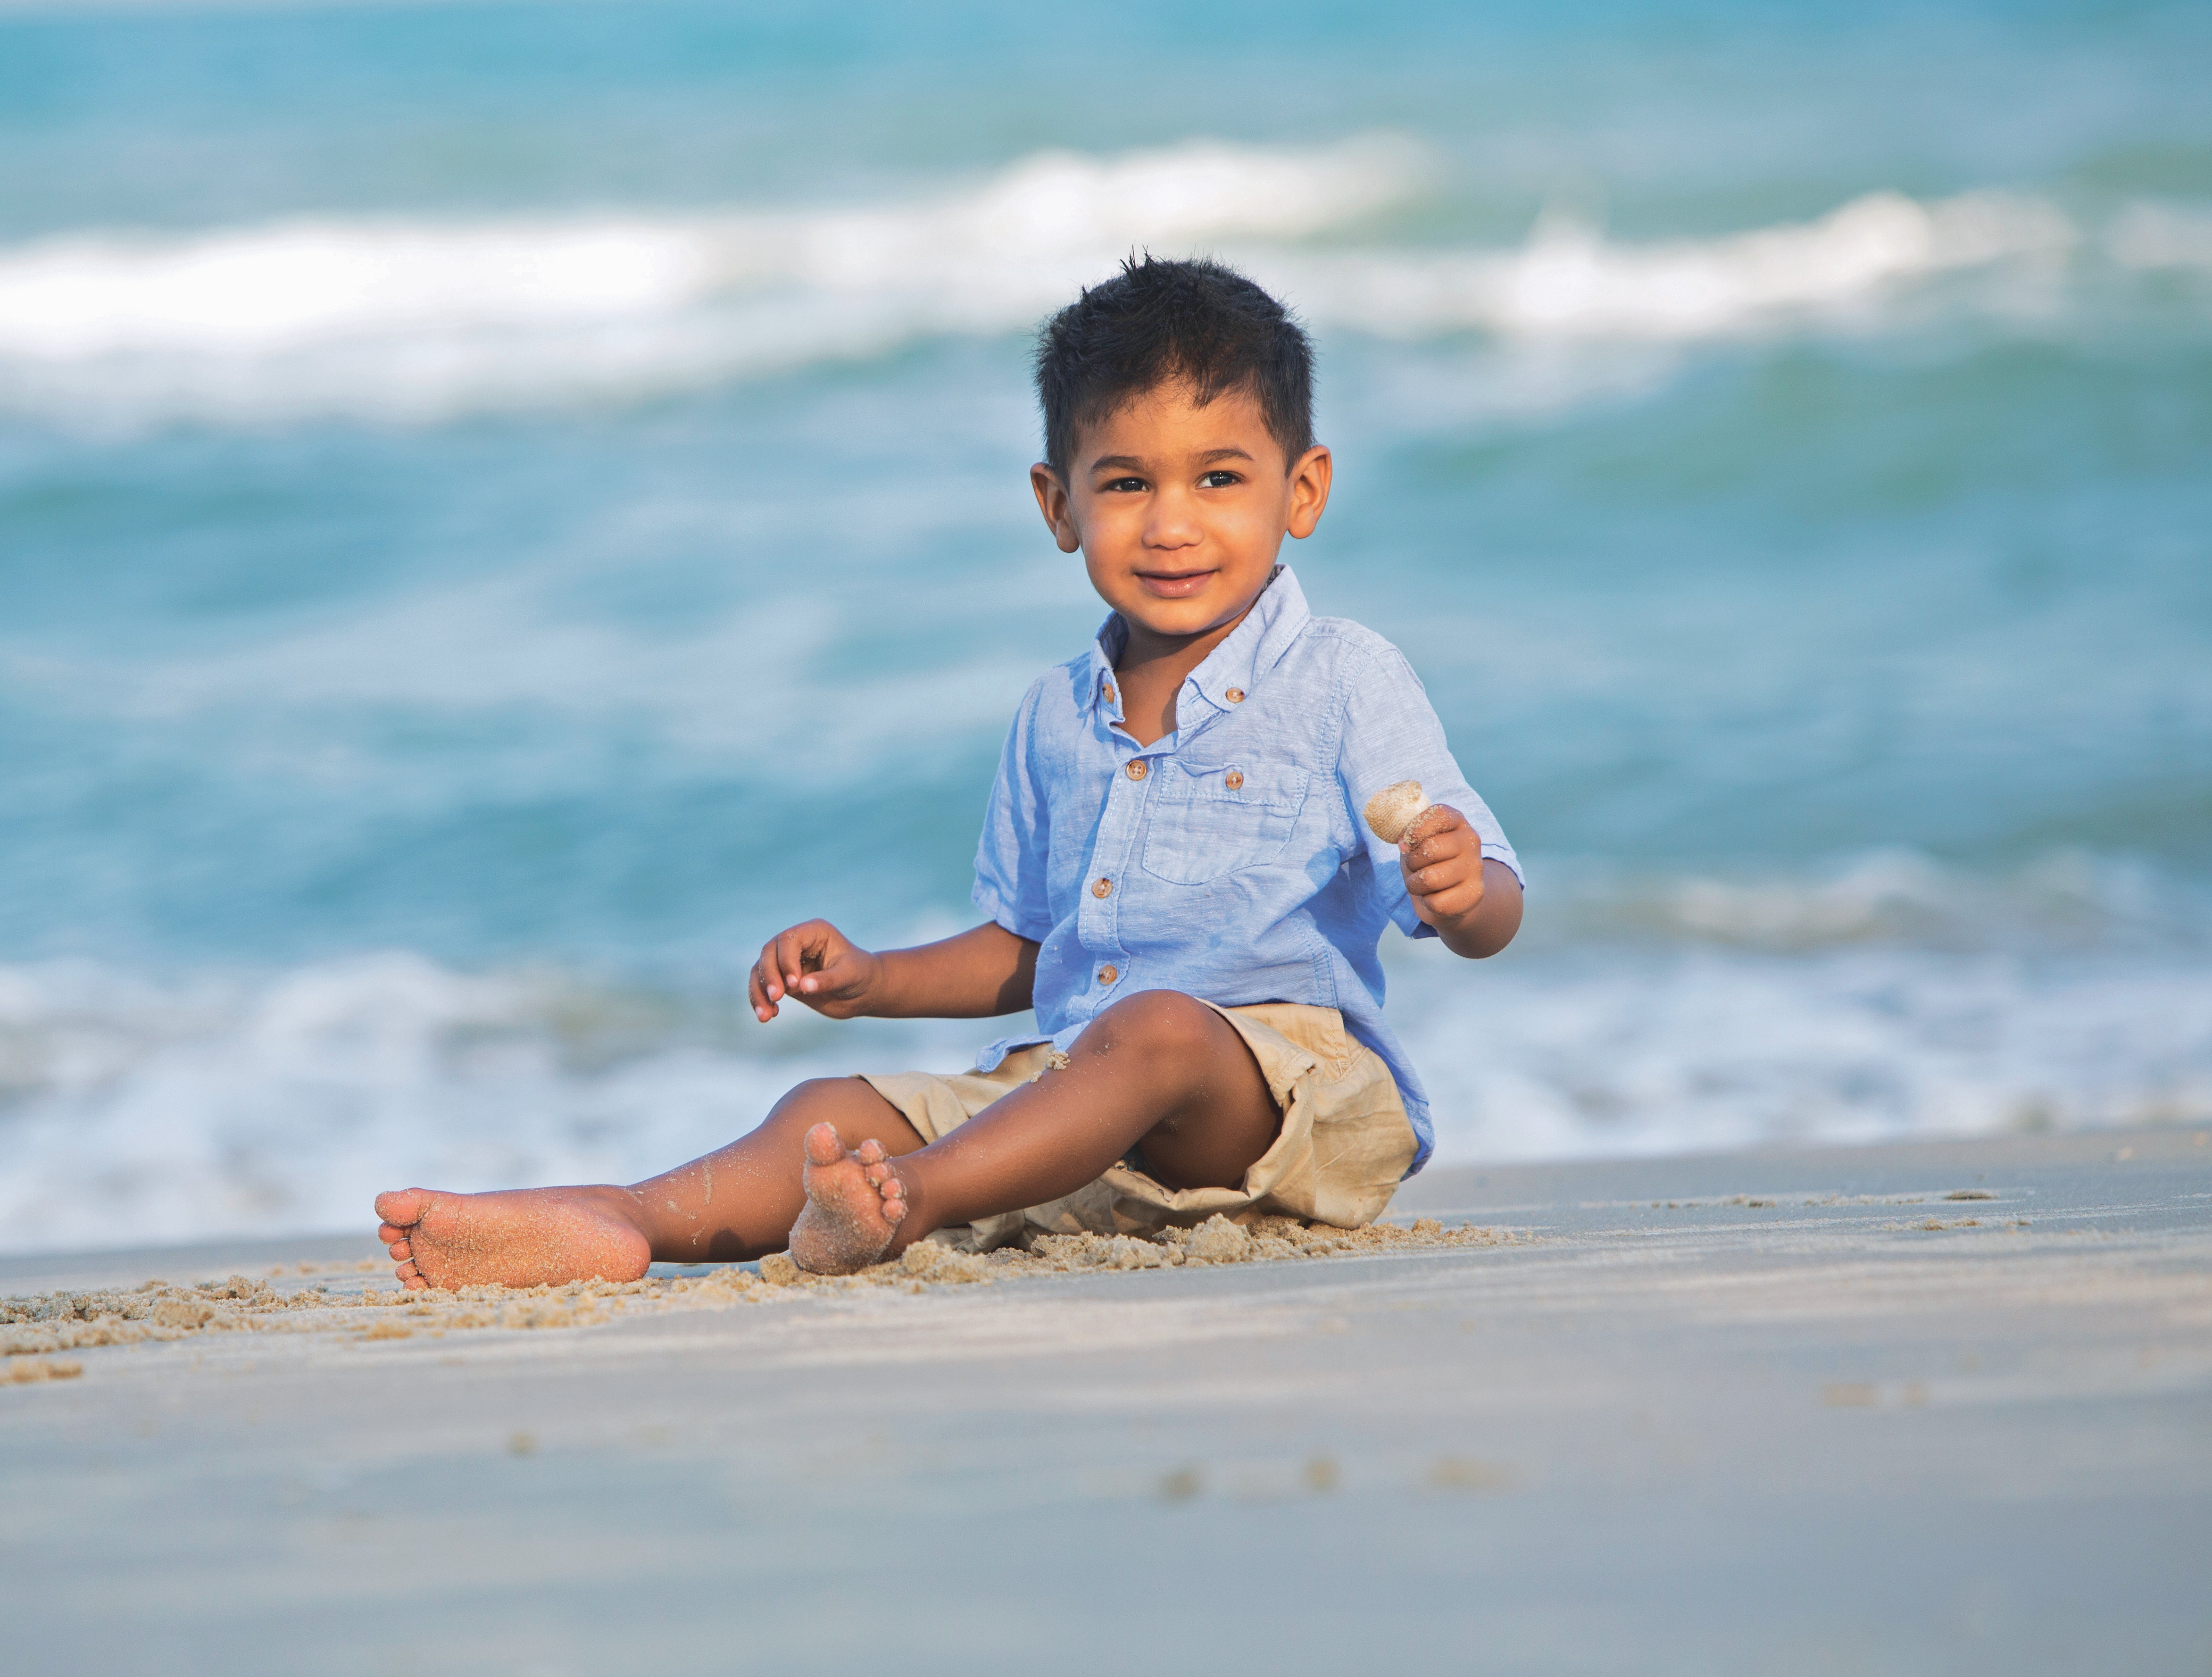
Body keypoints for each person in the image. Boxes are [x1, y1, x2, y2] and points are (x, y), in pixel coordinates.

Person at [376, 255, 1523, 1290]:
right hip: (1075, 1102)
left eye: (1218, 479)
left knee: (1160, 1031)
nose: (1171, 525)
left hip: (1279, 1107)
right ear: (1058, 505)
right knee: (834, 1108)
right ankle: (621, 1217)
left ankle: (906, 1205)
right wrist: (875, 979)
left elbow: (1491, 913)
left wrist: (1463, 893)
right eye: (1126, 484)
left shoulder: (1343, 677)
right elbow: (1033, 947)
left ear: (1302, 490)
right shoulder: (1055, 715)